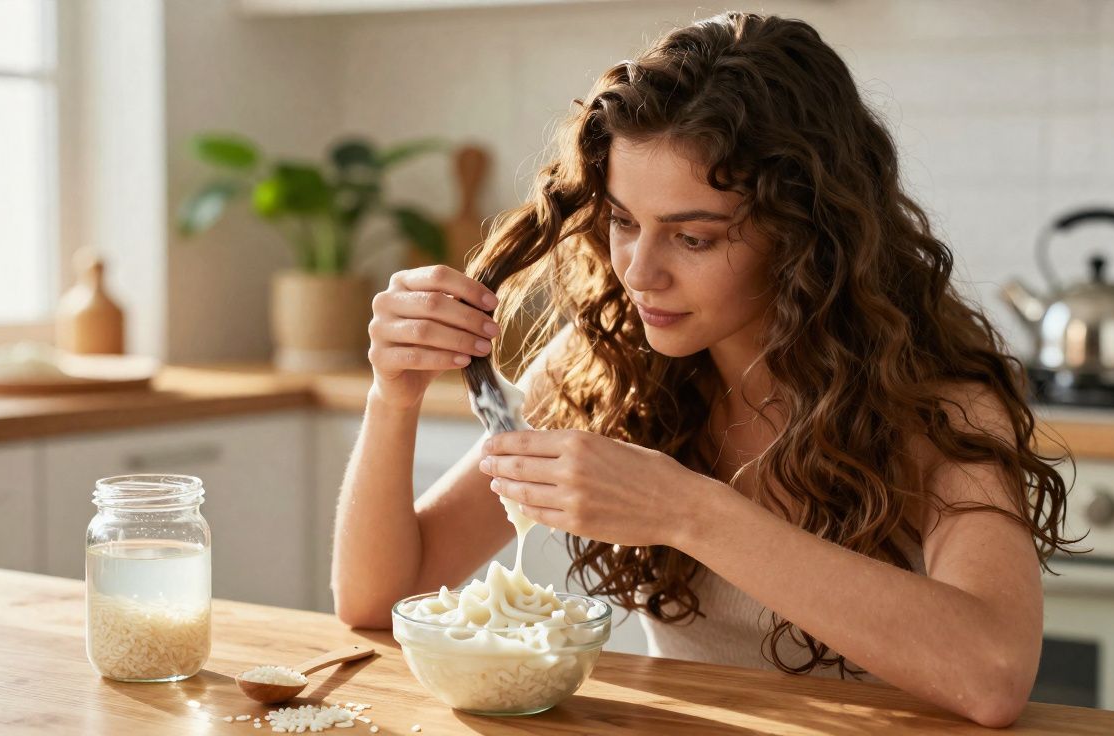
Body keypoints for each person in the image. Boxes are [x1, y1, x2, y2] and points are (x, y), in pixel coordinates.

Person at [332, 11, 1073, 728]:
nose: (639, 272)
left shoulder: (940, 406)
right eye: (623, 221)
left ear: (807, 235)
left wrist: (689, 511)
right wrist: (392, 393)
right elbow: (378, 599)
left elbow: (993, 674)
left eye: (692, 238)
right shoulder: (604, 368)